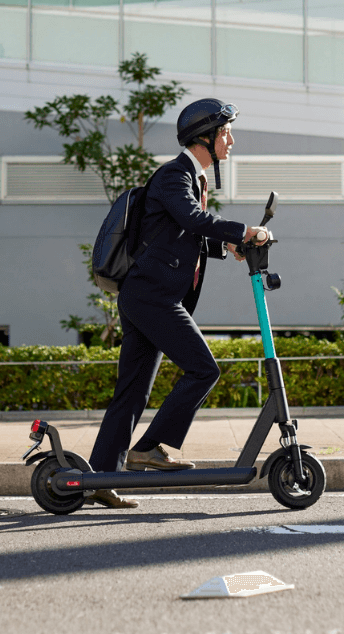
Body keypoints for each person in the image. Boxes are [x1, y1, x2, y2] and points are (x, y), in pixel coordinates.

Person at [86, 98, 270, 508]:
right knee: (204, 369)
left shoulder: (193, 178)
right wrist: (244, 231)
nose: (231, 140)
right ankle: (152, 446)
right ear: (204, 136)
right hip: (152, 296)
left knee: (132, 392)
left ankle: (100, 478)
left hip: (147, 295)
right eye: (225, 133)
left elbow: (185, 234)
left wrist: (228, 246)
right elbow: (192, 219)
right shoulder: (174, 175)